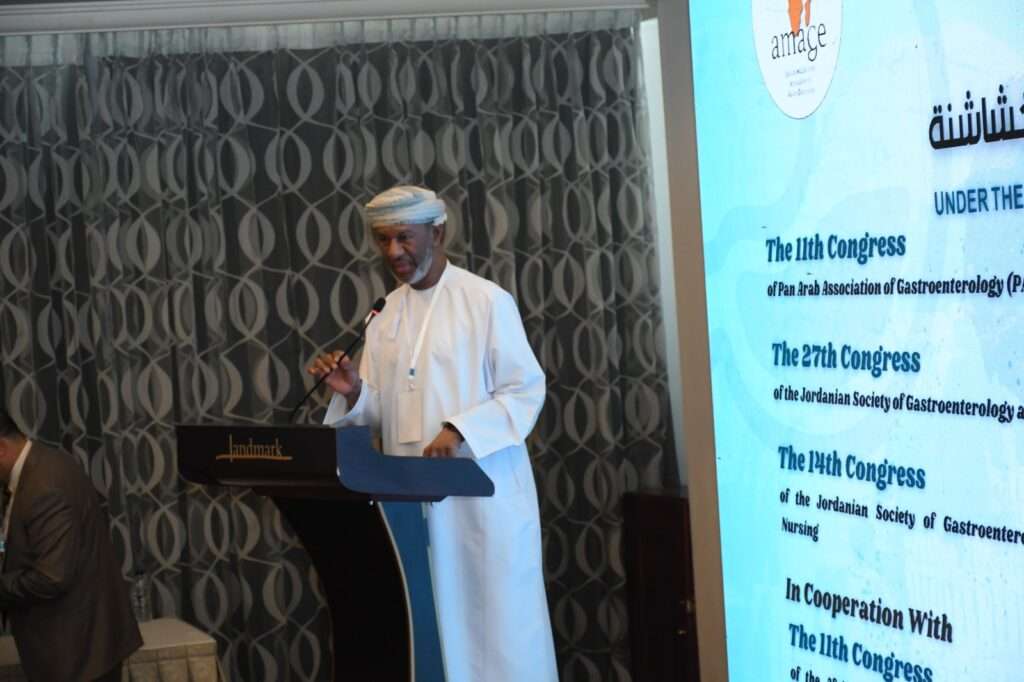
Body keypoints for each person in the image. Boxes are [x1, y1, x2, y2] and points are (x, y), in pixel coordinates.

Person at [308, 185, 558, 682]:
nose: (394, 251)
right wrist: (355, 392)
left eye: (404, 237)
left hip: (480, 504)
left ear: (437, 233)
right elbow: (383, 413)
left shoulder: (486, 301)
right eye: (383, 240)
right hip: (411, 507)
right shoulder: (384, 315)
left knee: (497, 636)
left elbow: (524, 390)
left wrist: (459, 430)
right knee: (432, 631)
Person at [0, 409, 143, 681]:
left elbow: (51, 577)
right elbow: (16, 540)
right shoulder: (38, 466)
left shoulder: (44, 486)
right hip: (76, 646)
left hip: (79, 654)